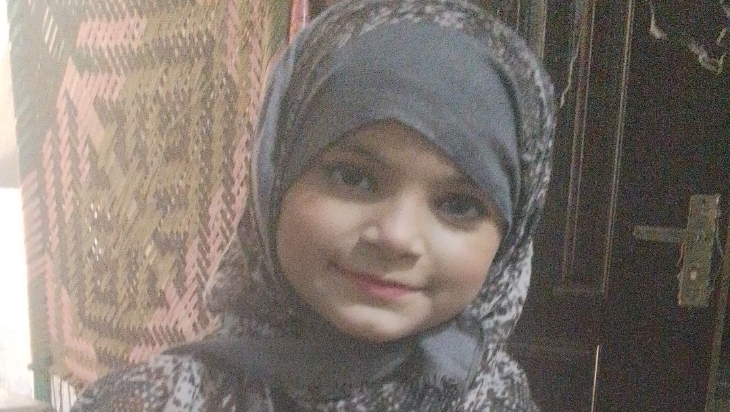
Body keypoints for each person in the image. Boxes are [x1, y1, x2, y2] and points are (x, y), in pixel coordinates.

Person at [70, 0, 555, 410]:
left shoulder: (500, 400)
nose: (396, 236)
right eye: (354, 177)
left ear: (510, 238)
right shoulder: (153, 401)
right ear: (274, 179)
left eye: (458, 205)